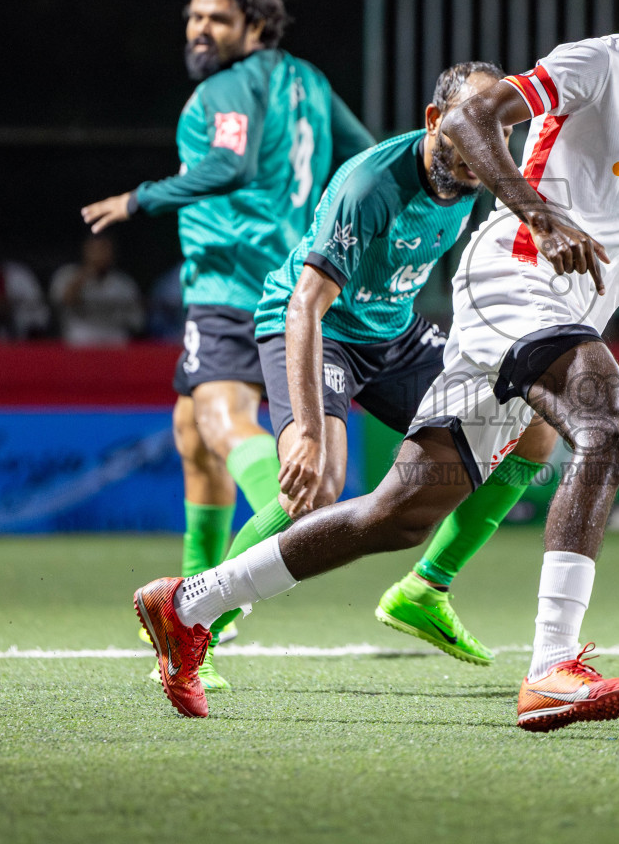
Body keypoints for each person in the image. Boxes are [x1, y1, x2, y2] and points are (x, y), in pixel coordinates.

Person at [135, 0, 619, 727]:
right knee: (611, 426)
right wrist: (540, 215)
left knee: (401, 513)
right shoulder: (605, 62)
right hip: (512, 275)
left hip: (558, 312)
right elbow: (474, 120)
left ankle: (189, 605)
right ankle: (551, 666)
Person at [188, 61, 558, 685]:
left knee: (535, 424)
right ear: (433, 121)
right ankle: (195, 623)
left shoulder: (480, 181)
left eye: (493, 134)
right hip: (316, 330)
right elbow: (306, 303)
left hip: (393, 334)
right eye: (466, 132)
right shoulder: (372, 186)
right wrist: (306, 429)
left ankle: (425, 591)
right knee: (313, 488)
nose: (478, 151)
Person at [82, 0, 374, 647]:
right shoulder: (308, 79)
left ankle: (264, 528)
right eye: (194, 17)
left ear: (256, 26)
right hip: (289, 283)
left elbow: (229, 163)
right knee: (192, 436)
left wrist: (140, 198)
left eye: (217, 18)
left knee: (220, 420)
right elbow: (365, 158)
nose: (199, 30)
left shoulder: (226, 88)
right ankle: (194, 611)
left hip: (230, 282)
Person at [49, 236, 144, 346]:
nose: (100, 254)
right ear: (85, 251)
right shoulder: (67, 274)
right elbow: (64, 302)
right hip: (79, 341)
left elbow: (137, 322)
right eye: (95, 250)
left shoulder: (124, 283)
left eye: (104, 249)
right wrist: (82, 278)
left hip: (115, 342)